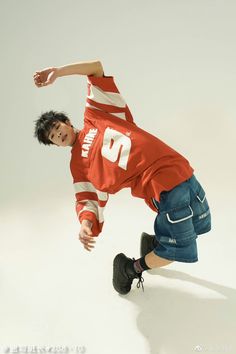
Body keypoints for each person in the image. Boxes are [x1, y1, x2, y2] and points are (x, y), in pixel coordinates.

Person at [33, 59, 212, 295]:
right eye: (53, 137)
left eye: (57, 127)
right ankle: (129, 268)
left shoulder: (97, 112)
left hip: (179, 167)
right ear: (54, 144)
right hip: (161, 186)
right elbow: (87, 200)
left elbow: (96, 68)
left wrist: (59, 72)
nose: (59, 134)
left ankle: (153, 244)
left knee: (201, 224)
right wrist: (85, 225)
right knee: (179, 249)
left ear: (67, 122)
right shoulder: (79, 166)